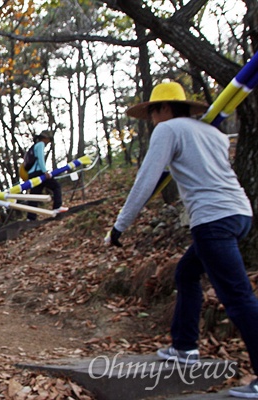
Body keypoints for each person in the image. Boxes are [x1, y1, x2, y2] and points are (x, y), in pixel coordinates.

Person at [105, 81, 258, 398]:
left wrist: (119, 226)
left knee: (238, 298)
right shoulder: (212, 132)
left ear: (163, 108)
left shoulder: (168, 130)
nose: (150, 120)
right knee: (186, 274)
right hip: (240, 214)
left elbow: (146, 180)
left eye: (151, 112)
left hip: (212, 220)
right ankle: (185, 347)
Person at [26, 130, 68, 221]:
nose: (49, 142)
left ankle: (30, 218)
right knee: (56, 186)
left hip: (32, 174)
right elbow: (40, 159)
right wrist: (45, 171)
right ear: (45, 138)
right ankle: (57, 207)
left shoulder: (34, 146)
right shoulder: (40, 144)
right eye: (49, 140)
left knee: (34, 196)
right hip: (39, 172)